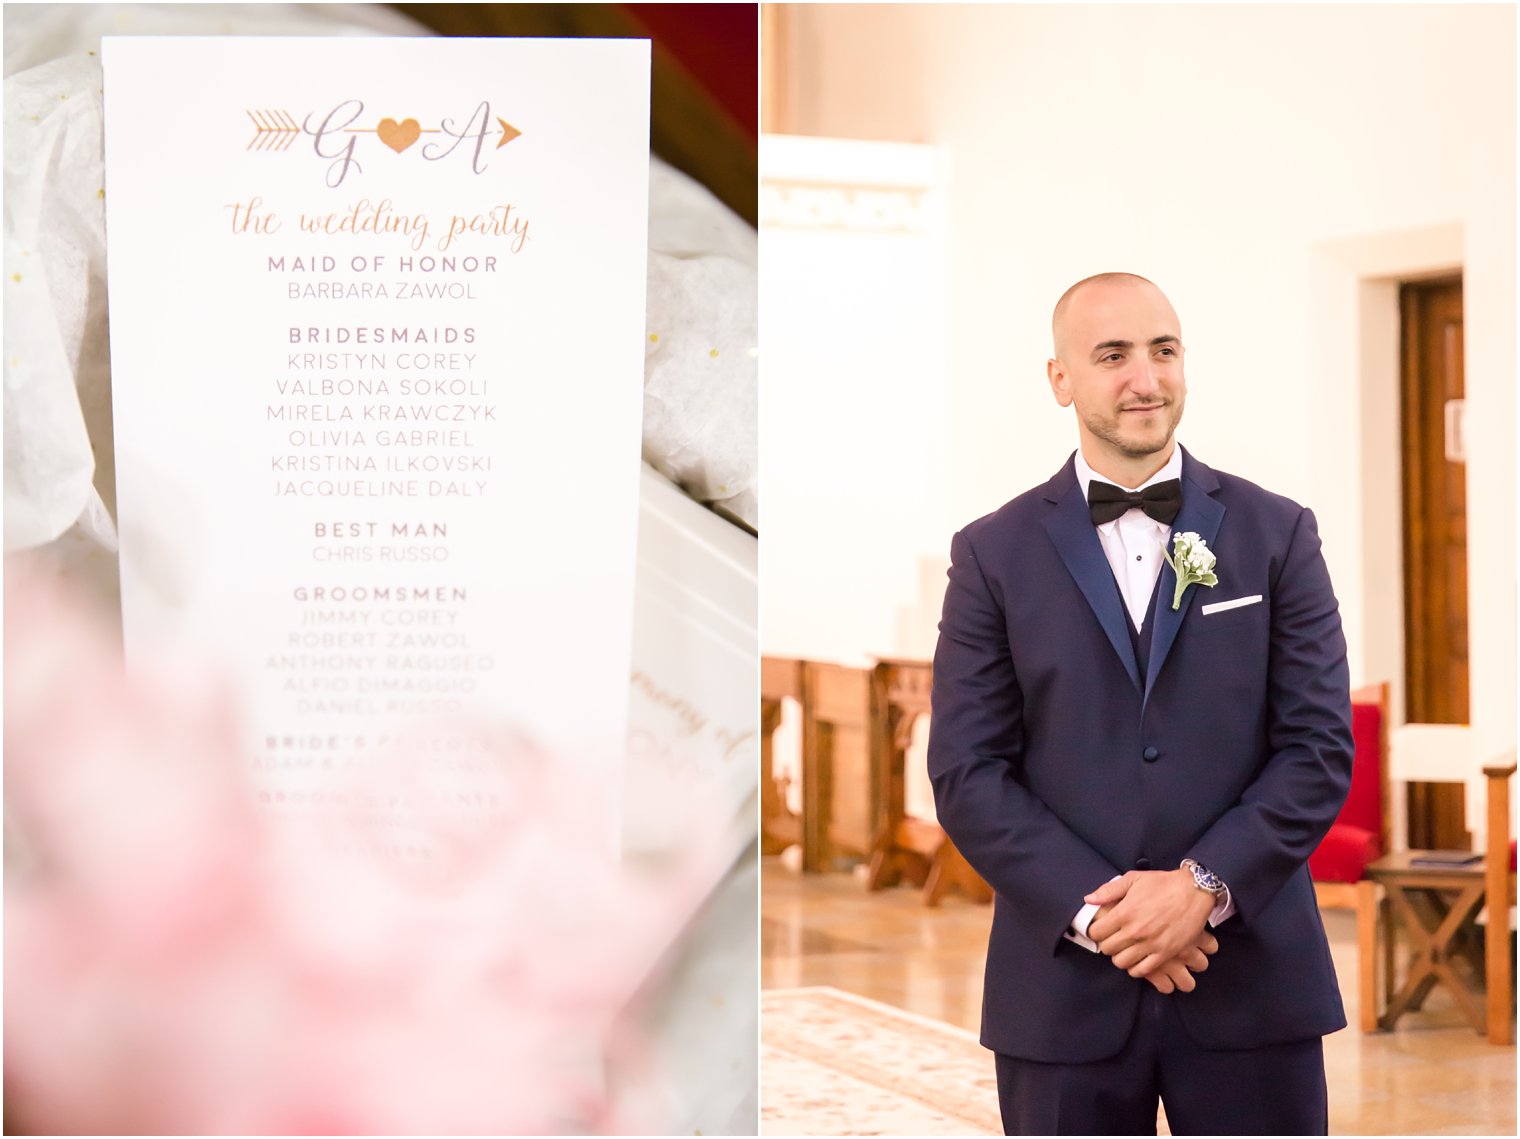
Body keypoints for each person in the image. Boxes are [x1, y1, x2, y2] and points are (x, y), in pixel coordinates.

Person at [927, 272, 1354, 1136]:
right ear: (1060, 379)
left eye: (1163, 351)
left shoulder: (1279, 533)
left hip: (1252, 980)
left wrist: (1201, 888)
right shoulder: (992, 553)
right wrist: (1107, 916)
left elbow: (1317, 747)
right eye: (1113, 355)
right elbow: (969, 771)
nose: (1145, 379)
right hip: (1063, 989)